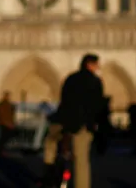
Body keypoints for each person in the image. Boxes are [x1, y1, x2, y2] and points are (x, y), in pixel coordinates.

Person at [41, 53, 104, 188]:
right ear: (89, 64)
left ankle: (49, 166)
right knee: (81, 160)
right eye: (96, 64)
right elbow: (97, 106)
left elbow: (63, 100)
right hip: (82, 125)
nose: (98, 67)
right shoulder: (95, 81)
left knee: (50, 142)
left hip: (63, 122)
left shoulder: (70, 78)